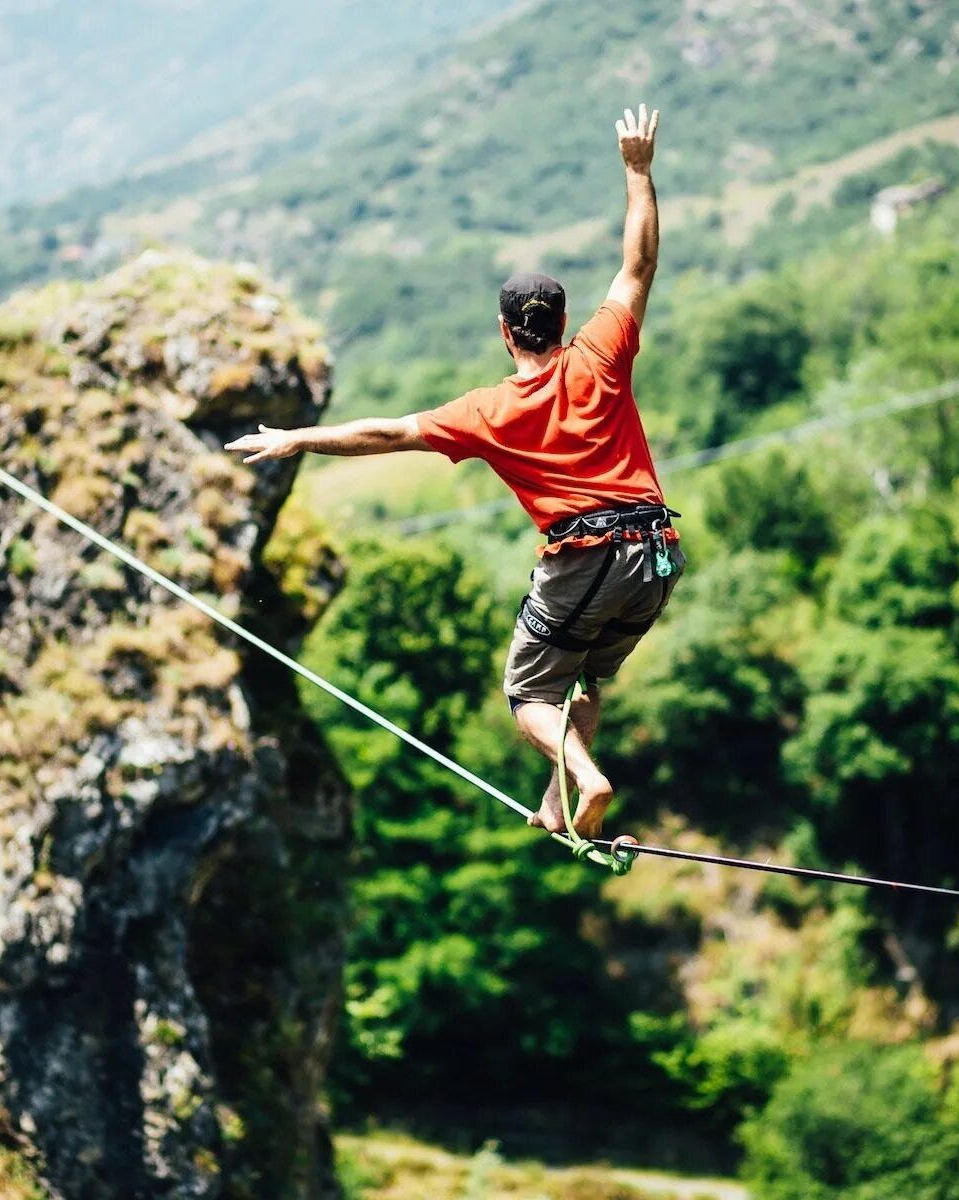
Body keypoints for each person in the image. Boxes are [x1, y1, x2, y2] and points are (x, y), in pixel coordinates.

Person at [226, 104, 680, 840]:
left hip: (588, 554)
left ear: (505, 333)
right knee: (584, 677)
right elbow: (638, 264)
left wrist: (299, 439)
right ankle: (564, 802)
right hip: (657, 555)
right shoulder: (601, 351)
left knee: (529, 692)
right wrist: (637, 172)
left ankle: (587, 778)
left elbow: (390, 430)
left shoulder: (488, 409)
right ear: (563, 323)